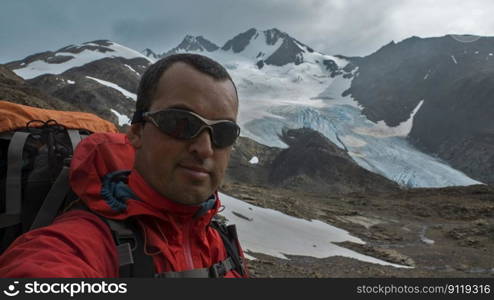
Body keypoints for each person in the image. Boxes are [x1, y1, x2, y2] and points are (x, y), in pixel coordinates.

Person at [0, 53, 248, 278]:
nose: (205, 149)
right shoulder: (78, 245)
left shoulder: (221, 243)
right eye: (180, 123)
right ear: (137, 132)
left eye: (223, 132)